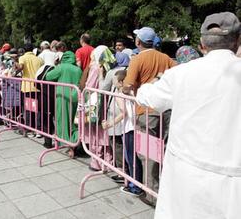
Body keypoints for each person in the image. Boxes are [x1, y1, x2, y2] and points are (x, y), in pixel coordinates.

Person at [135, 12, 241, 218]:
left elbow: (149, 97)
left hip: (185, 176)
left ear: (202, 44)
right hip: (232, 183)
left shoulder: (181, 73)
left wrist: (151, 84)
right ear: (237, 41)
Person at [122, 26, 175, 204]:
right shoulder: (166, 58)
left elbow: (127, 85)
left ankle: (152, 193)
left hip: (145, 111)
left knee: (148, 152)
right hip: (165, 110)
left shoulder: (137, 59)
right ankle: (163, 188)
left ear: (138, 42)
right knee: (163, 149)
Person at [102, 70, 143, 196]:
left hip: (128, 128)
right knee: (135, 158)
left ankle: (134, 186)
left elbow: (123, 112)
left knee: (131, 158)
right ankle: (136, 184)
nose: (114, 85)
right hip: (136, 126)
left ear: (120, 82)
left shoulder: (119, 94)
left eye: (115, 82)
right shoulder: (132, 91)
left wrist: (110, 123)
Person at [45, 51, 82, 143]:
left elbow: (48, 77)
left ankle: (65, 142)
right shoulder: (78, 69)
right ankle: (75, 140)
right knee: (73, 120)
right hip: (75, 96)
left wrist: (56, 66)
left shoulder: (61, 67)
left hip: (62, 97)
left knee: (62, 120)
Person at [16, 43, 44, 136]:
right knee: (38, 109)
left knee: (29, 109)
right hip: (38, 87)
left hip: (27, 87)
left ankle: (30, 129)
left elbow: (21, 67)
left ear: (24, 50)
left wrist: (15, 63)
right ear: (33, 50)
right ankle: (39, 130)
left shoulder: (22, 58)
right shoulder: (39, 59)